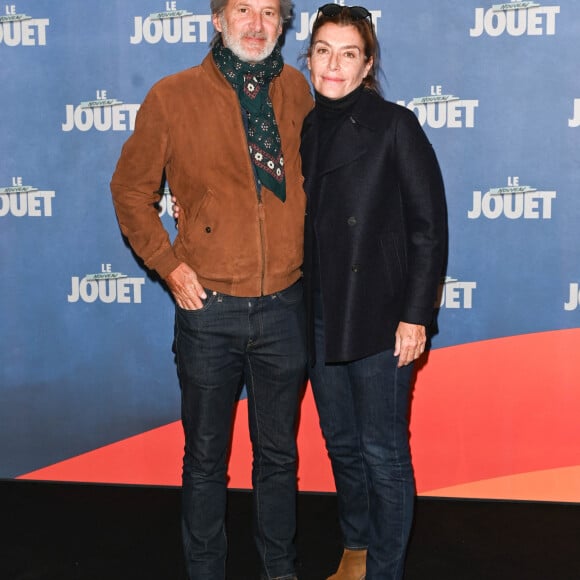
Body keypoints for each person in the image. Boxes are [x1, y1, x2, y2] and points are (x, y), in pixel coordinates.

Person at [110, 1, 312, 578]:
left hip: (284, 306)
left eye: (269, 12)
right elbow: (130, 190)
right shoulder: (172, 96)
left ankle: (280, 569)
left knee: (278, 458)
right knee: (205, 461)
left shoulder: (296, 90)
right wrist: (168, 265)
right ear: (218, 19)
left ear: (282, 24)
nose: (256, 23)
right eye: (242, 9)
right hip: (210, 312)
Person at [301, 5, 447, 580]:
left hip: (382, 318)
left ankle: (386, 570)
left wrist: (415, 317)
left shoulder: (395, 125)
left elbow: (428, 228)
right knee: (340, 443)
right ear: (308, 57)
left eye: (349, 53)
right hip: (317, 313)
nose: (334, 64)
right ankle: (356, 549)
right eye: (323, 50)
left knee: (383, 454)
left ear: (367, 65)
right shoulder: (306, 127)